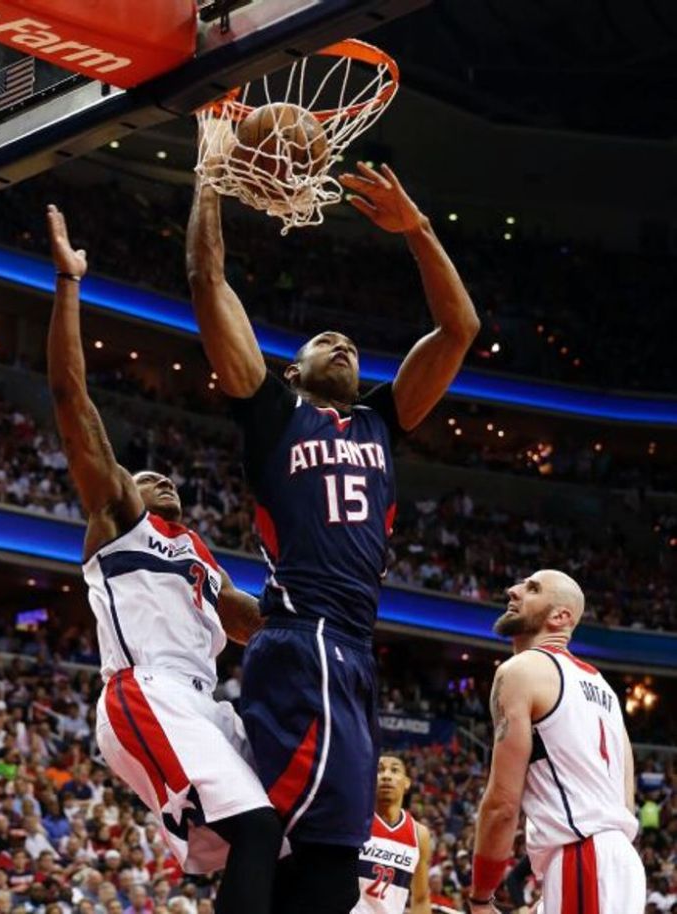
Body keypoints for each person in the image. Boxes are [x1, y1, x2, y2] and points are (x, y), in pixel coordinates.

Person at [186, 162, 479, 914]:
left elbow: (459, 329)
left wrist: (416, 230)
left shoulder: (383, 421)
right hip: (308, 644)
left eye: (350, 342)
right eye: (325, 340)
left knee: (327, 862)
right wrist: (209, 177)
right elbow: (208, 283)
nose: (343, 343)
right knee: (277, 838)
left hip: (349, 654)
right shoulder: (276, 414)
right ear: (295, 367)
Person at [45, 205, 282, 914]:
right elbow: (69, 398)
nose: (162, 478)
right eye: (148, 476)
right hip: (146, 690)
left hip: (204, 703)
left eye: (167, 477)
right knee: (261, 828)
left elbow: (260, 624)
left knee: (285, 835)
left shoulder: (203, 560)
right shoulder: (119, 517)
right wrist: (67, 282)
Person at [468, 569, 645, 914]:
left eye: (532, 588)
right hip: (618, 862)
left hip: (584, 858)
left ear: (560, 616)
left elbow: (502, 805)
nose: (513, 590)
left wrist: (481, 897)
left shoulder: (521, 671)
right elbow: (625, 803)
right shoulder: (605, 692)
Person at [352, 755, 431, 914]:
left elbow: (421, 898)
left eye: (395, 770)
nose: (386, 776)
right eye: (379, 770)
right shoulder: (352, 820)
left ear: (407, 782)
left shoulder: (419, 834)